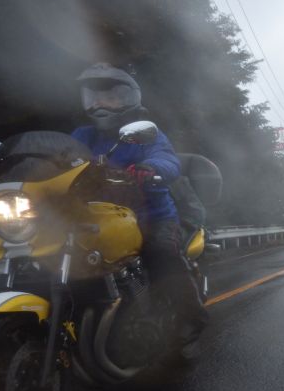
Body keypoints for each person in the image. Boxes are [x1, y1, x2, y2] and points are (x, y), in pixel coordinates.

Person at [70, 62, 208, 344]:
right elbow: (58, 155)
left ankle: (190, 318)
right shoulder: (83, 136)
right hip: (96, 218)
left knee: (162, 254)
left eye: (109, 96)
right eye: (92, 97)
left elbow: (167, 158)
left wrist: (150, 168)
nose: (99, 103)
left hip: (151, 217)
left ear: (127, 99)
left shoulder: (145, 133)